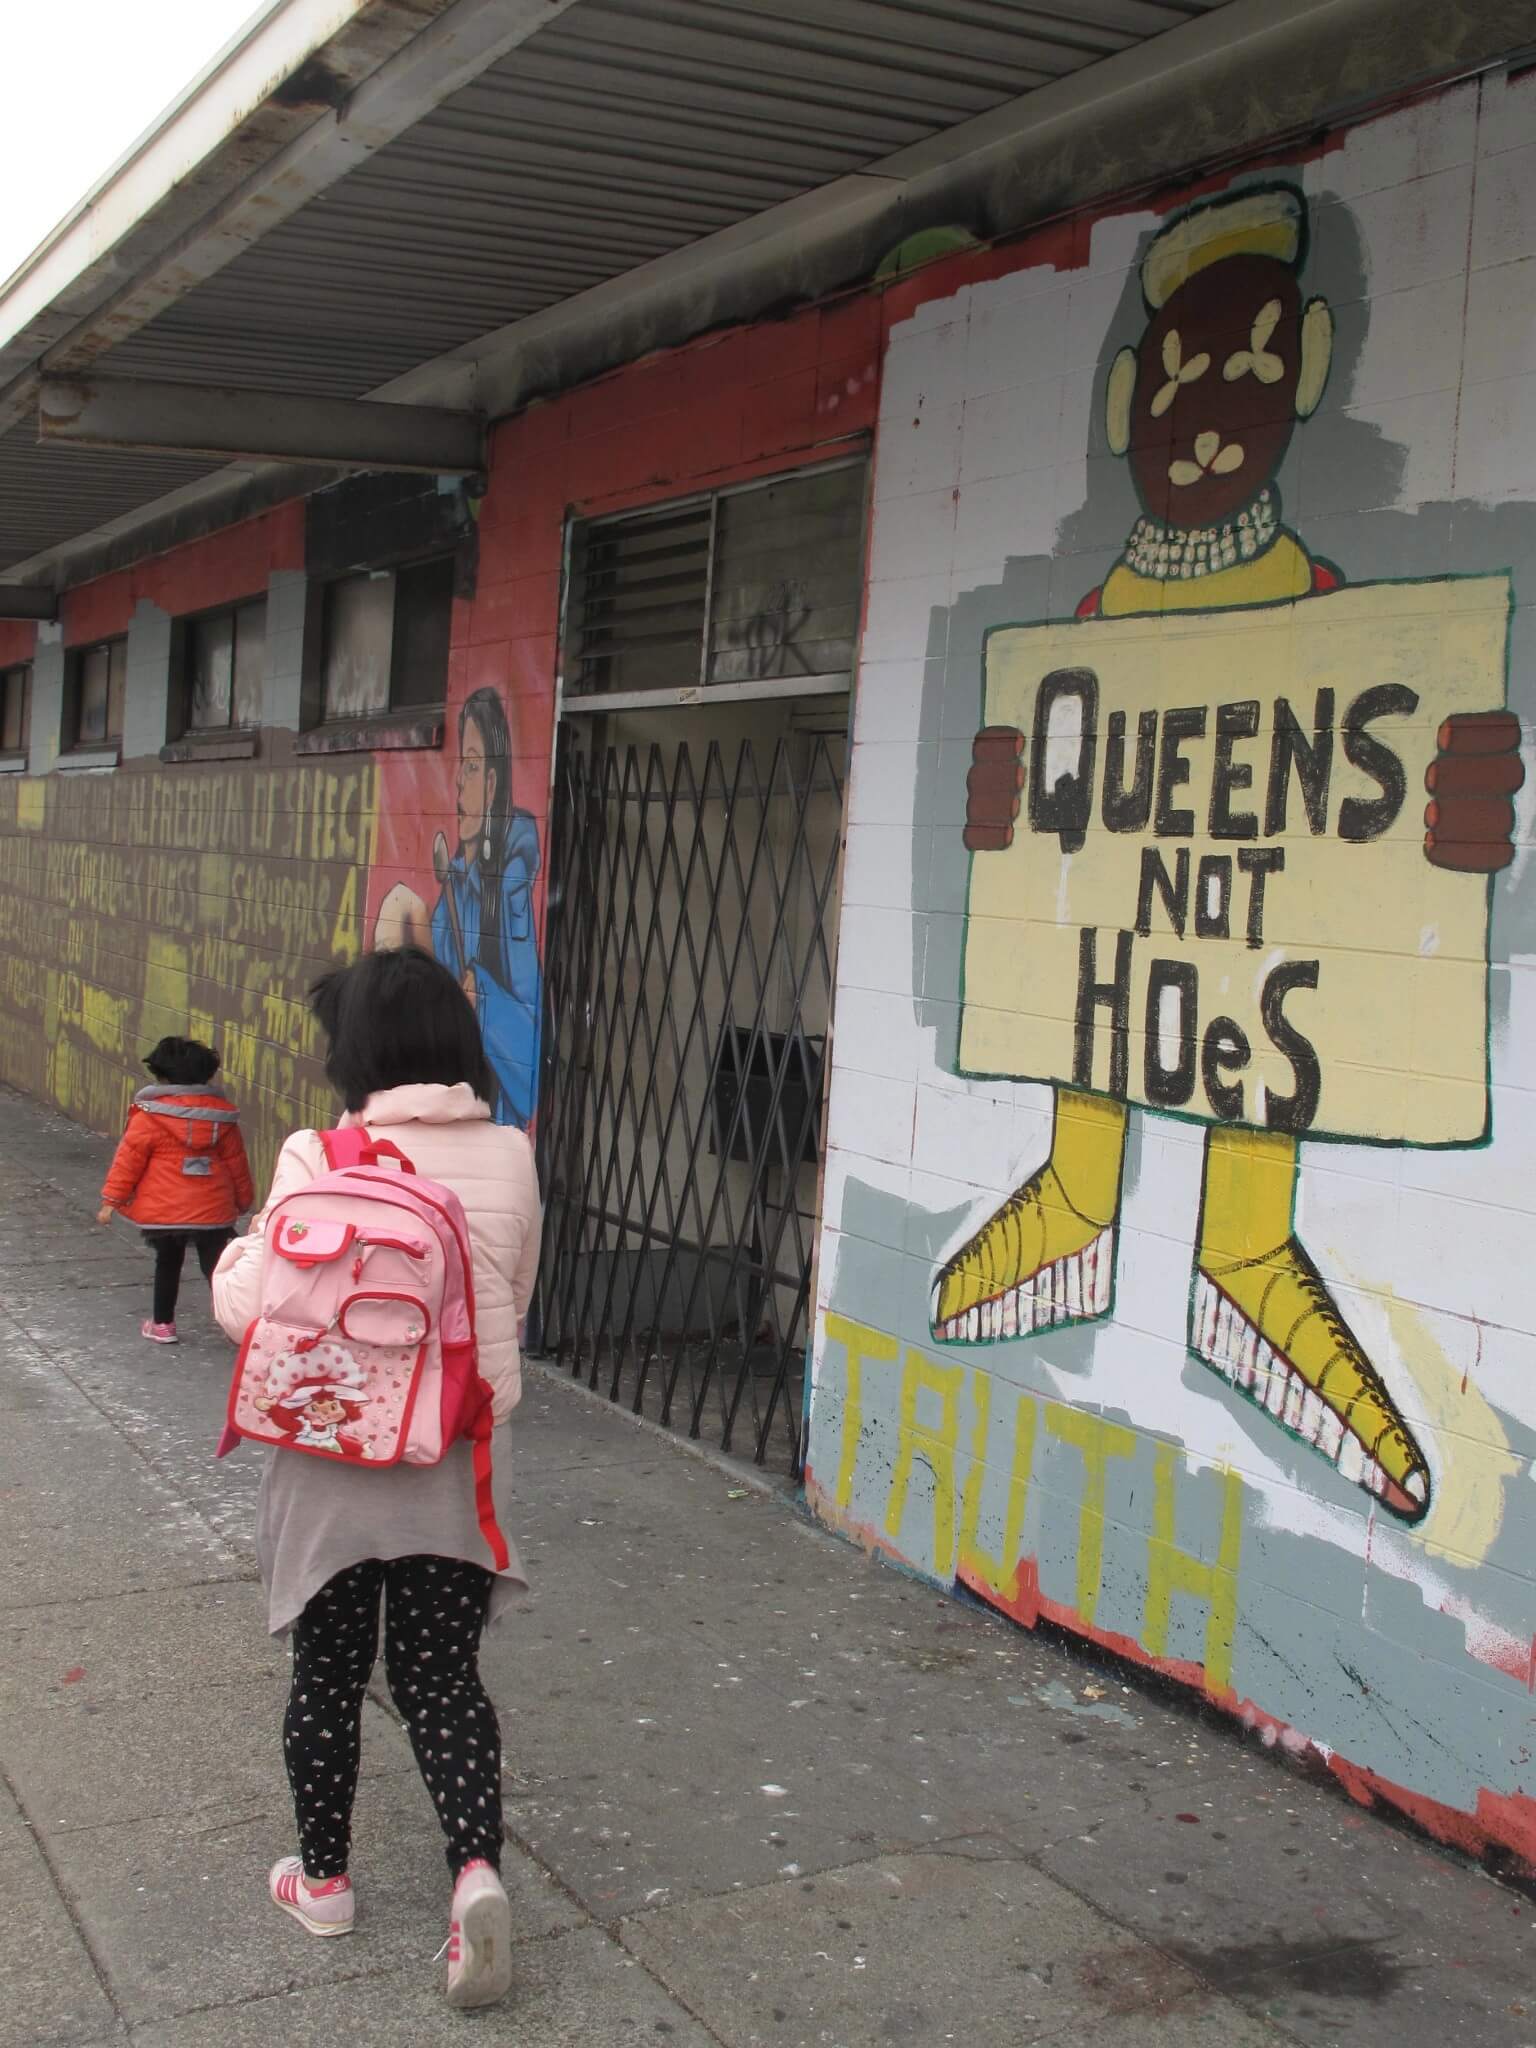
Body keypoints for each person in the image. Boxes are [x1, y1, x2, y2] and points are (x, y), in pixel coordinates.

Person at [211, 947, 541, 2010]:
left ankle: (323, 1882)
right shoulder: (512, 1153)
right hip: (447, 1459)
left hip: (328, 1460)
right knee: (443, 1677)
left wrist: (234, 1253)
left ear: (355, 1051)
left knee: (328, 1675)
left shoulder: (321, 1150)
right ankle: (476, 1874)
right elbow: (510, 1297)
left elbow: (251, 1306)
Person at [430, 686, 543, 1129]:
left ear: (492, 784)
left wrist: (485, 1003)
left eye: (472, 767)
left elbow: (531, 1050)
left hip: (494, 1129)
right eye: (461, 765)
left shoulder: (511, 890)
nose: (459, 780)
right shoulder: (456, 887)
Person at [96, 1036, 253, 1344]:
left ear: (163, 1076)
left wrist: (110, 1201)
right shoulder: (223, 1117)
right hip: (213, 1209)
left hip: (164, 1210)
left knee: (168, 1262)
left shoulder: (150, 1116)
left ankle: (163, 1324)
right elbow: (237, 1164)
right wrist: (243, 1200)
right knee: (217, 1267)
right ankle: (239, 1324)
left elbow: (128, 1161)